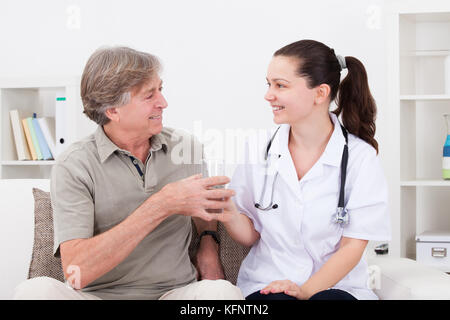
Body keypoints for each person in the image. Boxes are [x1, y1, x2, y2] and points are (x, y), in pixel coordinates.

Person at [13, 46, 243, 300]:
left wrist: (208, 243)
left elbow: (205, 206)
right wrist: (160, 205)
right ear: (113, 110)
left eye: (161, 89)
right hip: (97, 296)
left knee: (222, 293)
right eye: (149, 95)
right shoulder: (74, 165)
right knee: (34, 291)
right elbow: (77, 271)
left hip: (174, 294)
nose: (163, 102)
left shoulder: (186, 147)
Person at [217, 39, 391, 300]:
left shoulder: (359, 158)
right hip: (269, 284)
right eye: (269, 84)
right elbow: (250, 235)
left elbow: (352, 246)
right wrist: (228, 211)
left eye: (280, 86)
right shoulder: (257, 148)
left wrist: (305, 291)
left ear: (320, 94)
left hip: (338, 287)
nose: (268, 95)